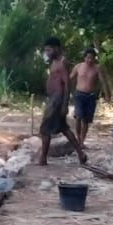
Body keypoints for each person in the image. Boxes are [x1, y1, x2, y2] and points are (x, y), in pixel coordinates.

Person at [36, 37, 88, 166]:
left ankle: (43, 158)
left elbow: (67, 84)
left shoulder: (62, 62)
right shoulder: (53, 62)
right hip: (53, 98)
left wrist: (65, 104)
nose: (47, 53)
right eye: (46, 51)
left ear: (56, 48)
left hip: (57, 100)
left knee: (45, 130)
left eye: (49, 50)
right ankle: (81, 154)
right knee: (63, 128)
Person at [68, 48, 101, 145]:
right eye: (88, 58)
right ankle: (78, 139)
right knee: (78, 116)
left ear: (94, 58)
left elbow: (102, 82)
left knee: (85, 120)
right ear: (84, 58)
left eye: (92, 58)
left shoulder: (97, 68)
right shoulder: (78, 67)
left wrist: (104, 94)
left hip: (90, 96)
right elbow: (70, 78)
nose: (90, 60)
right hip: (79, 94)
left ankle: (82, 141)